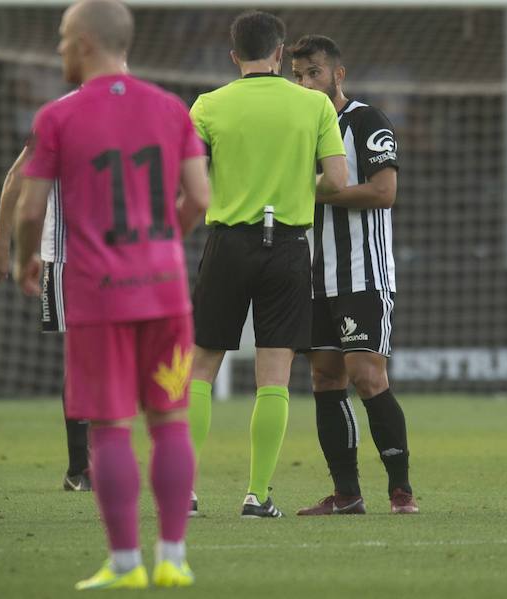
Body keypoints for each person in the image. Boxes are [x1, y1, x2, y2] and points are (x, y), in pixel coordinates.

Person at [13, 0, 210, 590]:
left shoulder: (57, 119)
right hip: (167, 294)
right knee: (170, 421)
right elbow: (199, 199)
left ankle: (125, 564)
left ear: (86, 43)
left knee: (110, 429)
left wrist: (26, 259)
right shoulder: (172, 109)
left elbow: (29, 208)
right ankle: (173, 556)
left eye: (62, 37)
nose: (58, 49)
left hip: (99, 297)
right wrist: (160, 244)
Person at [186, 11, 348, 518]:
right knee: (273, 375)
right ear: (280, 53)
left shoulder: (208, 105)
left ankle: (183, 493)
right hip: (288, 248)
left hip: (228, 244)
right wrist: (296, 187)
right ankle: (257, 494)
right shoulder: (312, 105)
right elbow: (338, 183)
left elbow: (189, 180)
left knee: (201, 368)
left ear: (234, 55)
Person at [289, 35, 418, 515]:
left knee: (367, 375)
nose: (304, 82)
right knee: (324, 379)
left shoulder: (366, 121)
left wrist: (311, 192)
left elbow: (384, 192)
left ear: (338, 75)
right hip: (313, 277)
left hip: (364, 273)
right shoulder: (296, 128)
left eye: (314, 73)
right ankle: (347, 494)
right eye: (298, 75)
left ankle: (401, 490)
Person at [0, 149, 92, 493]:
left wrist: (9, 251)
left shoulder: (65, 114)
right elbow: (18, 179)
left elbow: (18, 180)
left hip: (96, 259)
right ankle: (81, 466)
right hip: (73, 259)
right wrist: (3, 246)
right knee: (86, 360)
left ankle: (90, 465)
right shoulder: (59, 118)